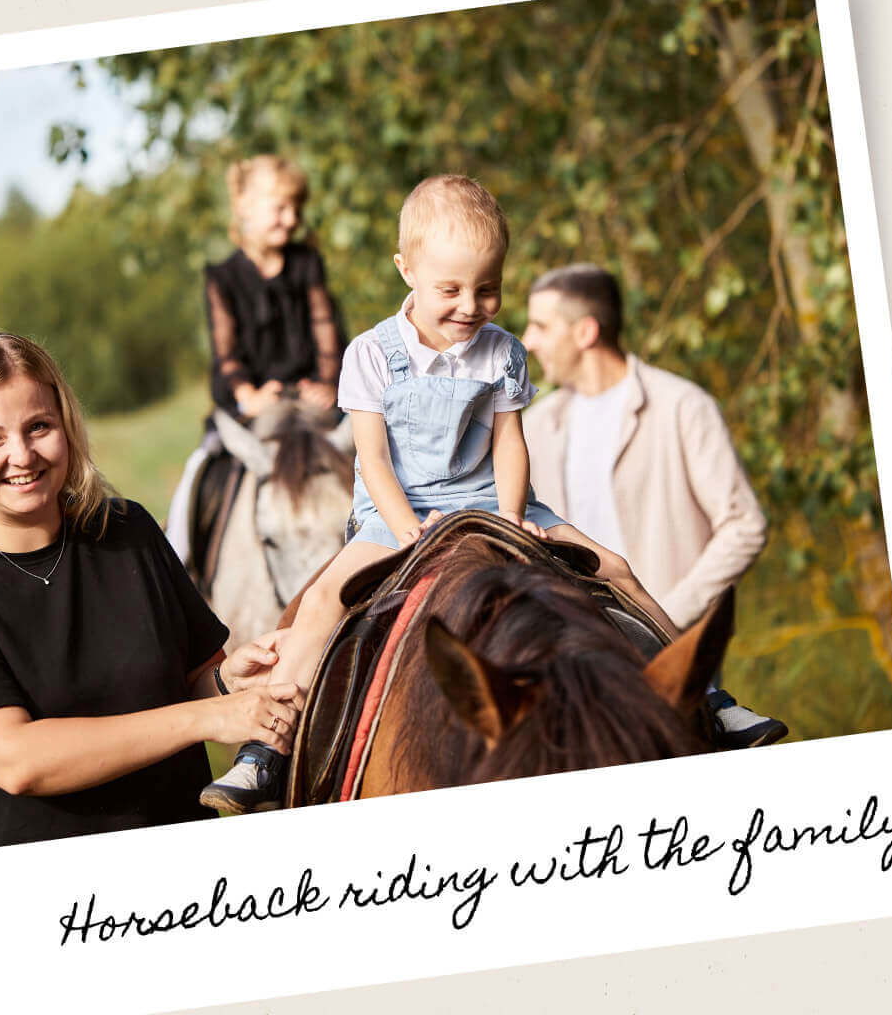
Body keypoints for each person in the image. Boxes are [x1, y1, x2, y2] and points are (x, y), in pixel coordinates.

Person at [200, 176, 678, 814]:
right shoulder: (370, 355)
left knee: (612, 568)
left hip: (489, 497)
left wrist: (511, 518)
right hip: (395, 508)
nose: (470, 306)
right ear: (407, 271)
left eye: (488, 288)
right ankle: (264, 752)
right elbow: (371, 458)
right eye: (449, 289)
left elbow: (510, 442)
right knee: (317, 604)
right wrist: (405, 532)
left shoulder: (503, 352)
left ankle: (702, 698)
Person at [0, 332, 302, 855]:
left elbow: (193, 682)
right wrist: (209, 717)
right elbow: (19, 761)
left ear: (66, 425)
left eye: (39, 427)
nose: (22, 455)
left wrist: (226, 682)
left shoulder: (127, 532)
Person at [520, 263, 786, 747]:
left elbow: (743, 525)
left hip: (668, 649)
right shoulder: (535, 426)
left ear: (585, 332)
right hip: (570, 655)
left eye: (540, 325)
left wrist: (667, 613)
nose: (528, 340)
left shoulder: (683, 406)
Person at [164, 154, 346, 567]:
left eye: (296, 209)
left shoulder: (306, 263)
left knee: (363, 451)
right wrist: (247, 394)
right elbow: (226, 352)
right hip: (251, 403)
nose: (291, 218)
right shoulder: (222, 278)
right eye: (280, 207)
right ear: (244, 206)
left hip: (308, 397)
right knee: (200, 471)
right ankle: (183, 564)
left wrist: (328, 381)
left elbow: (325, 327)